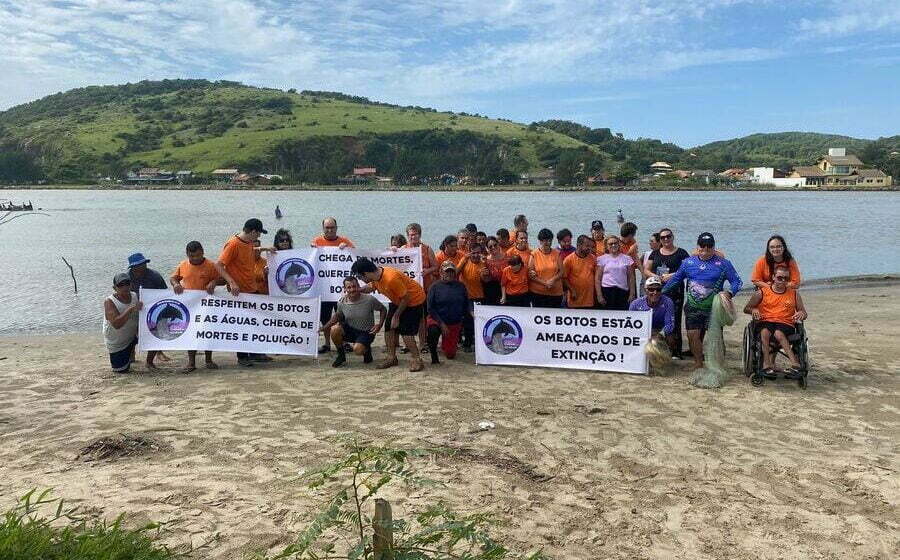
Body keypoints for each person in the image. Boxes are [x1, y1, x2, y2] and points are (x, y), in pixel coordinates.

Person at [662, 232, 742, 370]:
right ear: (697, 246)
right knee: (692, 335)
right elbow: (676, 280)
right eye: (702, 246)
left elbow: (737, 281)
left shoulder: (724, 264)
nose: (705, 249)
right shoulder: (688, 263)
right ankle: (698, 363)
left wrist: (729, 292)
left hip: (714, 308)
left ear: (714, 247)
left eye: (709, 246)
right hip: (693, 306)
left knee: (715, 338)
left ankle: (717, 364)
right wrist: (661, 292)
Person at [215, 218, 274, 367]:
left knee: (255, 322)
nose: (259, 237)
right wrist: (232, 282)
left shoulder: (248, 243)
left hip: (252, 288)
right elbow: (219, 265)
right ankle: (242, 357)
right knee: (243, 324)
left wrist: (264, 249)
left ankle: (255, 353)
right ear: (253, 231)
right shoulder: (233, 244)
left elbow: (249, 251)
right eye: (259, 234)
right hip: (240, 292)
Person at [351, 258, 426, 372]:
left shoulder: (390, 278)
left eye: (360, 277)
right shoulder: (376, 276)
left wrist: (396, 316)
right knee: (388, 328)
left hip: (414, 301)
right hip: (398, 300)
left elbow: (406, 298)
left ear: (366, 273)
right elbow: (371, 287)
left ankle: (417, 359)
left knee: (406, 332)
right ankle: (391, 358)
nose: (360, 279)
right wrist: (358, 290)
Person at [743, 265, 808, 378]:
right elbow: (746, 308)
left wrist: (801, 314)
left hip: (785, 323)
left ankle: (795, 364)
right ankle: (766, 364)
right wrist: (754, 309)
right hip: (766, 320)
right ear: (773, 277)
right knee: (765, 332)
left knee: (778, 333)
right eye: (779, 277)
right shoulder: (761, 293)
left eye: (785, 278)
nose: (782, 281)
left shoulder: (794, 294)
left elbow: (803, 312)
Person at [170, 241, 219, 373]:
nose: (195, 258)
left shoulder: (211, 265)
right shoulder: (183, 265)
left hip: (207, 304)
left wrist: (214, 282)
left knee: (207, 331)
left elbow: (222, 279)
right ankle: (191, 362)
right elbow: (173, 278)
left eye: (198, 255)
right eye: (192, 256)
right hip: (190, 305)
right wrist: (175, 284)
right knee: (191, 333)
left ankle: (208, 360)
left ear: (203, 252)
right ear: (187, 255)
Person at [311, 217, 355, 355]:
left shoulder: (344, 241)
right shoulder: (316, 242)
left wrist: (347, 248)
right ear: (323, 228)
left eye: (332, 227)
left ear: (336, 227)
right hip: (324, 288)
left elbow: (356, 257)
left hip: (340, 289)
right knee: (324, 317)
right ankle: (327, 344)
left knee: (343, 316)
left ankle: (344, 341)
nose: (329, 230)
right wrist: (312, 250)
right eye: (327, 227)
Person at [321, 277, 386, 368]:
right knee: (334, 329)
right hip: (350, 330)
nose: (352, 289)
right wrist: (323, 328)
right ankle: (341, 356)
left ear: (359, 286)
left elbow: (383, 309)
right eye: (349, 287)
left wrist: (379, 324)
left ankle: (366, 350)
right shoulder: (341, 302)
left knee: (358, 350)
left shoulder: (369, 299)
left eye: (354, 286)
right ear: (345, 289)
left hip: (366, 332)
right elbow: (337, 316)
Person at [645, 228, 690, 358]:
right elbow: (646, 270)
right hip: (656, 291)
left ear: (672, 237)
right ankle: (657, 349)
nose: (665, 239)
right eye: (662, 237)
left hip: (675, 291)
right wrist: (656, 277)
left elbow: (687, 270)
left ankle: (676, 351)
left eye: (668, 236)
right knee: (656, 319)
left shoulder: (681, 253)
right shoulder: (655, 253)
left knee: (674, 320)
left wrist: (673, 276)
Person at [127, 252, 166, 368]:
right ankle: (131, 355)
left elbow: (164, 294)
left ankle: (150, 361)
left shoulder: (155, 276)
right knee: (130, 335)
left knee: (155, 333)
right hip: (133, 309)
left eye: (144, 264)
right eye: (139, 265)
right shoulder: (126, 278)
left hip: (151, 310)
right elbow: (121, 293)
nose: (142, 266)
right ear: (132, 267)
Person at [426, 261, 470, 364]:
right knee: (433, 331)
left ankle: (446, 345)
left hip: (454, 322)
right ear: (441, 272)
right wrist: (441, 324)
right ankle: (434, 355)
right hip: (436, 319)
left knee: (450, 355)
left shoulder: (461, 286)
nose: (449, 274)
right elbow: (430, 308)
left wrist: (467, 316)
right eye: (447, 271)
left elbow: (465, 304)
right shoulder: (434, 287)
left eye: (451, 272)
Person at [405, 223, 438, 351]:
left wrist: (427, 271)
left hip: (424, 288)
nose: (413, 237)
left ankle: (423, 343)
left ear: (420, 235)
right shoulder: (404, 249)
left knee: (422, 318)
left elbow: (435, 266)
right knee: (408, 318)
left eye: (415, 234)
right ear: (407, 236)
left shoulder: (427, 249)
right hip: (409, 289)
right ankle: (408, 343)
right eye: (411, 235)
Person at [103, 273, 142, 373]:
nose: (125, 287)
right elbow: (117, 324)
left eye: (127, 283)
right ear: (114, 287)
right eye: (120, 285)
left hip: (131, 336)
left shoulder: (134, 295)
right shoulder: (109, 302)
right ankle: (127, 356)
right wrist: (131, 309)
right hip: (117, 343)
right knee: (121, 370)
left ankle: (132, 353)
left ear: (131, 284)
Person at [629, 276, 676, 351]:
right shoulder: (636, 304)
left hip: (659, 331)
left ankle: (666, 356)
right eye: (651, 289)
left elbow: (670, 324)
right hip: (642, 331)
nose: (655, 292)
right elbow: (630, 325)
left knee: (671, 337)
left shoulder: (668, 302)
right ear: (645, 290)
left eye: (658, 290)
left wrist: (659, 335)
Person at [457, 242, 489, 351]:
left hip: (478, 296)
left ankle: (479, 343)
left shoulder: (483, 263)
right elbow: (455, 273)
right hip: (465, 297)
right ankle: (467, 343)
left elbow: (486, 280)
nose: (475, 255)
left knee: (477, 321)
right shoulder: (464, 260)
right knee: (467, 322)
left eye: (478, 253)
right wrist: (464, 260)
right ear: (469, 252)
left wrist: (484, 269)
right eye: (473, 253)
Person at [595, 236, 636, 310]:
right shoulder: (601, 259)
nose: (613, 245)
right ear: (607, 246)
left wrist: (632, 293)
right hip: (606, 292)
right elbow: (598, 279)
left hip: (622, 292)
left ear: (619, 244)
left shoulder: (627, 259)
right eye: (610, 244)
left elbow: (631, 278)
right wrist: (599, 295)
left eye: (615, 243)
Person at [528, 228, 564, 308]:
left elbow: (561, 272)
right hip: (537, 294)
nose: (548, 243)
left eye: (550, 240)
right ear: (540, 241)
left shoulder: (557, 253)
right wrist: (545, 283)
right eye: (546, 240)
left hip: (556, 293)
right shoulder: (534, 254)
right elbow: (531, 275)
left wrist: (553, 280)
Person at [562, 235, 596, 309]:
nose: (589, 248)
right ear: (579, 245)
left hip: (589, 301)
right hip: (574, 300)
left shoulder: (593, 258)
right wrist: (572, 290)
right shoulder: (569, 260)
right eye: (587, 246)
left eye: (590, 246)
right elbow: (564, 278)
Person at [483, 236, 507, 305]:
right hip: (492, 292)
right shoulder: (486, 261)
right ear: (487, 248)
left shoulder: (507, 257)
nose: (493, 247)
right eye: (490, 247)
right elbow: (485, 280)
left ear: (498, 244)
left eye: (495, 245)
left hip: (507, 290)